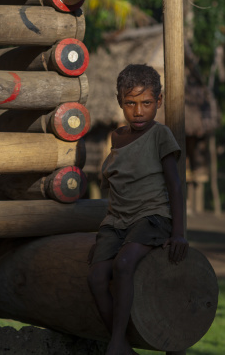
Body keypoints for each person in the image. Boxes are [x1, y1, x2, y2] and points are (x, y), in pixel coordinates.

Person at [87, 64, 188, 355]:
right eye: (130, 103)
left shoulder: (161, 135)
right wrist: (102, 239)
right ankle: (126, 345)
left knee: (123, 264)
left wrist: (178, 233)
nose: (138, 111)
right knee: (95, 277)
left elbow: (175, 185)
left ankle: (117, 342)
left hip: (151, 217)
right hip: (116, 222)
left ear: (159, 101)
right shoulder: (116, 138)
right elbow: (118, 188)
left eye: (146, 103)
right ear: (120, 103)